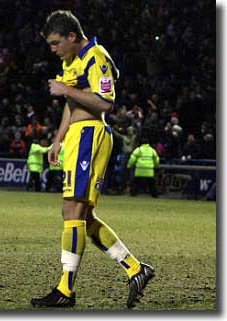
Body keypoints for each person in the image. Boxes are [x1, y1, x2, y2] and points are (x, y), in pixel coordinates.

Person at [31, 10, 154, 309]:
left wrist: (65, 89)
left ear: (73, 36)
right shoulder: (70, 60)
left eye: (56, 43)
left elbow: (105, 103)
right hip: (76, 137)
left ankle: (65, 289)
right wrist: (58, 140)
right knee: (82, 216)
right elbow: (71, 104)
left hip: (91, 135)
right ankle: (136, 270)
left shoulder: (95, 56)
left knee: (72, 209)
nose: (53, 49)